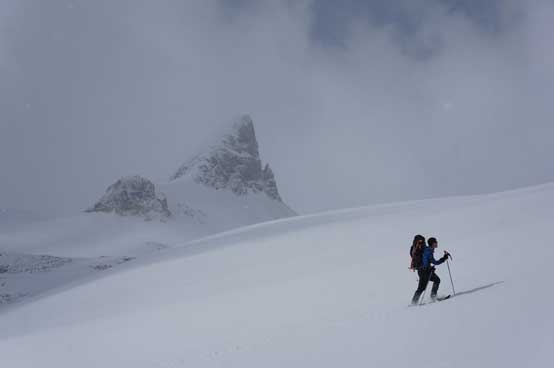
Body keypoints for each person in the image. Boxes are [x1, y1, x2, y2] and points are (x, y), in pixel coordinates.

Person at [411, 237, 450, 305]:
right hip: (424, 272)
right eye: (436, 242)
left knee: (435, 281)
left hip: (423, 271)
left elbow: (427, 261)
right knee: (422, 287)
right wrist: (443, 258)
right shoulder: (428, 251)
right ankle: (414, 303)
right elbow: (434, 262)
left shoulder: (428, 250)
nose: (437, 243)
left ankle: (416, 302)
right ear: (433, 244)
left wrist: (429, 267)